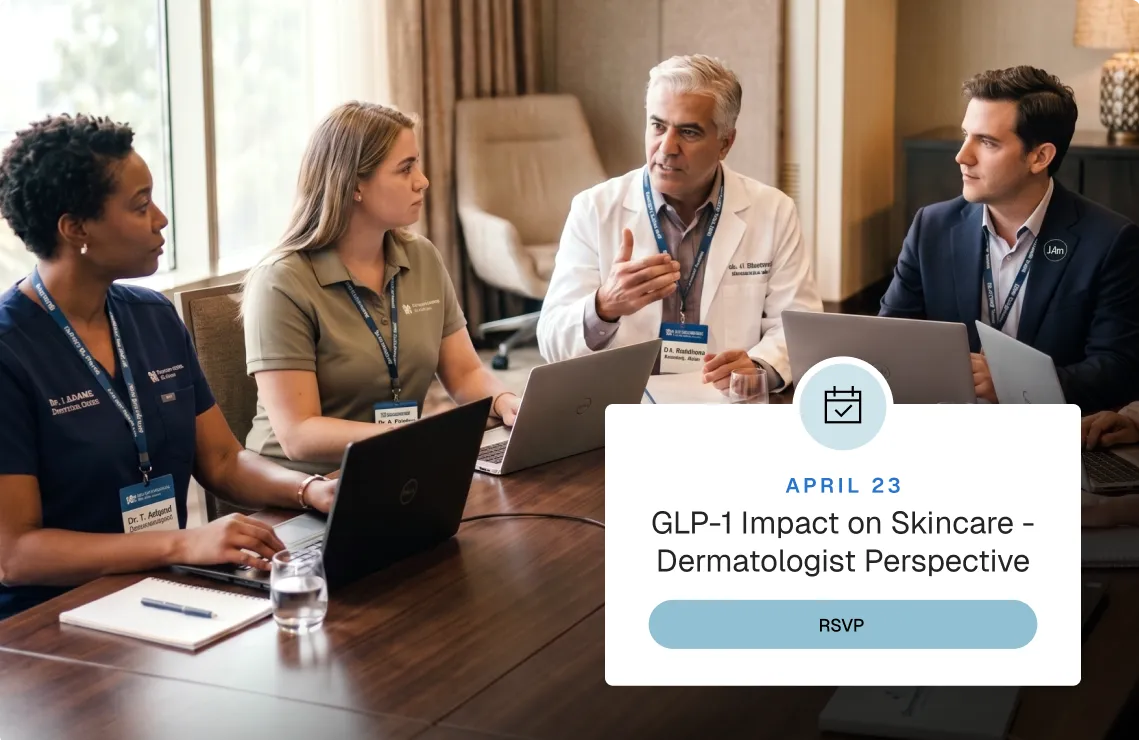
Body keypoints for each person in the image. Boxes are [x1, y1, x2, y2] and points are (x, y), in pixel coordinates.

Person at [0, 114, 338, 619]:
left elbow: (222, 461)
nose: (160, 219)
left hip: (165, 591)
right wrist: (181, 545)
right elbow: (15, 554)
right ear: (75, 228)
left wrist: (308, 489)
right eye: (140, 206)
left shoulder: (152, 316)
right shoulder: (11, 350)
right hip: (52, 619)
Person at [241, 102, 521, 475]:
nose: (423, 181)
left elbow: (465, 373)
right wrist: (416, 437)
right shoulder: (280, 282)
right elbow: (299, 434)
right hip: (300, 490)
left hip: (396, 467)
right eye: (406, 168)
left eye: (416, 164)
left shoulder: (420, 257)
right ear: (354, 185)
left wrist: (503, 400)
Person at [536, 54, 822, 391]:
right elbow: (552, 341)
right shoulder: (594, 209)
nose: (667, 148)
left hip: (722, 407)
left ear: (725, 143)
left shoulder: (773, 211)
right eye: (657, 126)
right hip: (626, 409)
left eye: (688, 132)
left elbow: (800, 328)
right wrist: (604, 306)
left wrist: (759, 366)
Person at [880, 65, 1139, 413]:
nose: (962, 156)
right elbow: (889, 337)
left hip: (1048, 434)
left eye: (987, 142)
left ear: (1040, 157)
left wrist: (1015, 382)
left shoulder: (1110, 242)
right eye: (965, 135)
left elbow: (1117, 370)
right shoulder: (932, 226)